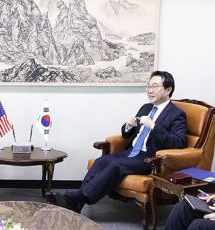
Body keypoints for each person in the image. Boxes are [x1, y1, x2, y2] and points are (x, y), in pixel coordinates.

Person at [47, 70, 187, 213]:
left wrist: (153, 126)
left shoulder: (176, 114)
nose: (150, 91)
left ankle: (75, 196)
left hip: (149, 158)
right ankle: (76, 204)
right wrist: (129, 125)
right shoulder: (146, 108)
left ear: (168, 90)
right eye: (149, 86)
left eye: (155, 86)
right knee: (100, 161)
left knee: (116, 165)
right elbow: (126, 135)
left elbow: (179, 142)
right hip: (131, 152)